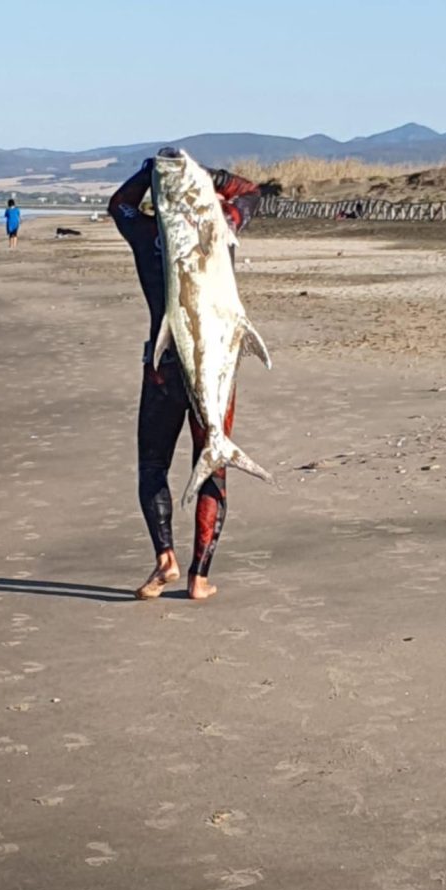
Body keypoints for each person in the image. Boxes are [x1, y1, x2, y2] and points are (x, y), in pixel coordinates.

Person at [108, 149, 261, 600]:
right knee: (210, 460)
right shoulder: (223, 226)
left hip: (164, 365)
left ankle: (165, 558)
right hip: (216, 368)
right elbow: (252, 193)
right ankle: (200, 576)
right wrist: (210, 176)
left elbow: (120, 204)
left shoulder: (147, 235)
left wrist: (149, 173)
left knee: (153, 464)